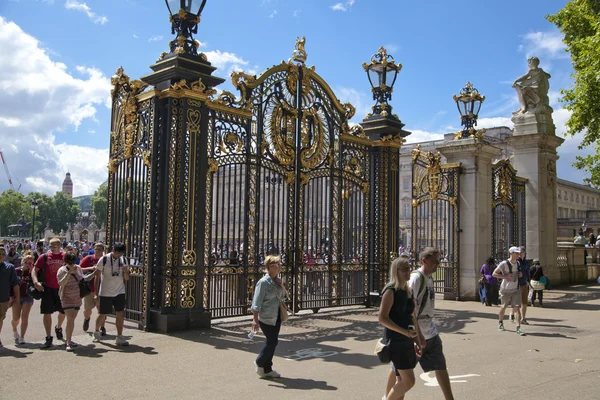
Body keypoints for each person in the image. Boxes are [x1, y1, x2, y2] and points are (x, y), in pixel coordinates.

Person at [384, 247, 455, 400]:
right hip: (410, 335)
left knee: (439, 365)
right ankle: (386, 397)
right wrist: (413, 334)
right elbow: (409, 311)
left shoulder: (429, 278)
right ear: (424, 260)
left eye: (439, 261)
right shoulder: (416, 279)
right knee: (401, 375)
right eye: (435, 262)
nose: (438, 265)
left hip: (427, 332)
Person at [379, 256, 420, 400]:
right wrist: (404, 332)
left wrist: (418, 340)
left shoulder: (407, 291)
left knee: (401, 381)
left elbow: (412, 317)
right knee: (409, 381)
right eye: (404, 269)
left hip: (407, 340)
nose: (408, 272)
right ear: (396, 271)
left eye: (409, 268)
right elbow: (382, 318)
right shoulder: (390, 291)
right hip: (396, 340)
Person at [251, 255, 286, 379]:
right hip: (266, 318)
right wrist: (255, 320)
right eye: (277, 265)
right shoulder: (263, 283)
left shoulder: (277, 280)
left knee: (273, 342)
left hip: (276, 316)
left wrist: (281, 285)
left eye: (280, 265)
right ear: (270, 267)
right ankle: (260, 362)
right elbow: (256, 303)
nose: (280, 268)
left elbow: (283, 297)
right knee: (272, 342)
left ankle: (267, 369)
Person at [31, 237, 66, 349]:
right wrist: (36, 282)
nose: (52, 248)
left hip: (61, 288)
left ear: (60, 245)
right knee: (47, 312)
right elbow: (34, 270)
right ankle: (48, 337)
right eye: (50, 246)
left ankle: (58, 327)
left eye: (54, 245)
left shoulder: (65, 256)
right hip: (47, 288)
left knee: (63, 311)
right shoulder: (44, 257)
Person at [93, 242, 130, 346]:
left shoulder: (124, 260)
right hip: (106, 291)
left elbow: (126, 278)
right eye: (117, 253)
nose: (118, 256)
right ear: (113, 250)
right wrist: (96, 293)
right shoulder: (104, 259)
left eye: (120, 254)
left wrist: (126, 271)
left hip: (119, 291)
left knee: (120, 313)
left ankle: (119, 336)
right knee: (103, 314)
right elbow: (97, 276)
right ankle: (96, 332)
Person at [493, 246, 525, 336]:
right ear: (511, 253)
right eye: (516, 253)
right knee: (503, 307)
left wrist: (520, 274)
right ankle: (500, 322)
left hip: (516, 289)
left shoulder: (518, 263)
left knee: (516, 308)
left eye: (519, 253)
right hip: (505, 289)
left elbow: (519, 274)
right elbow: (494, 274)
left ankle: (518, 327)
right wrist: (505, 276)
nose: (518, 254)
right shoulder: (504, 263)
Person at [57, 252, 84, 351]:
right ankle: (68, 342)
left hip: (77, 297)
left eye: (73, 262)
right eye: (70, 262)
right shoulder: (61, 270)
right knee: (70, 319)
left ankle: (69, 338)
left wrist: (94, 273)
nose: (72, 264)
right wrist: (69, 273)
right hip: (66, 298)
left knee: (72, 319)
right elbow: (61, 283)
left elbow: (82, 279)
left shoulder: (78, 268)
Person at [79, 242, 106, 333]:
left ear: (103, 251)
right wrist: (91, 268)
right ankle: (86, 319)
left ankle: (102, 327)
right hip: (89, 289)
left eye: (99, 249)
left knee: (102, 310)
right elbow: (79, 269)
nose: (97, 251)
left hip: (102, 289)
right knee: (88, 310)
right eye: (95, 249)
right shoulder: (88, 258)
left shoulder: (106, 260)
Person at [11, 252, 34, 345]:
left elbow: (36, 282)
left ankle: (22, 337)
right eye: (27, 263)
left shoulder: (32, 272)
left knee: (25, 317)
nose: (29, 265)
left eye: (31, 263)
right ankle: (14, 330)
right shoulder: (16, 271)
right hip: (17, 297)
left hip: (28, 297)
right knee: (16, 319)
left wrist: (32, 273)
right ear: (23, 262)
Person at [1, 247, 20, 349]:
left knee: (0, 319)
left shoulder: (10, 267)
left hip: (3, 298)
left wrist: (17, 298)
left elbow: (15, 284)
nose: (0, 255)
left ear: (5, 256)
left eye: (2, 254)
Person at [517, 247, 530, 325]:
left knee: (524, 302)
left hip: (524, 284)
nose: (519, 254)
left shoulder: (525, 262)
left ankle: (523, 318)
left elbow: (527, 272)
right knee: (516, 302)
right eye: (518, 252)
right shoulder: (515, 261)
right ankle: (516, 317)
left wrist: (528, 281)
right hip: (516, 284)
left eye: (521, 252)